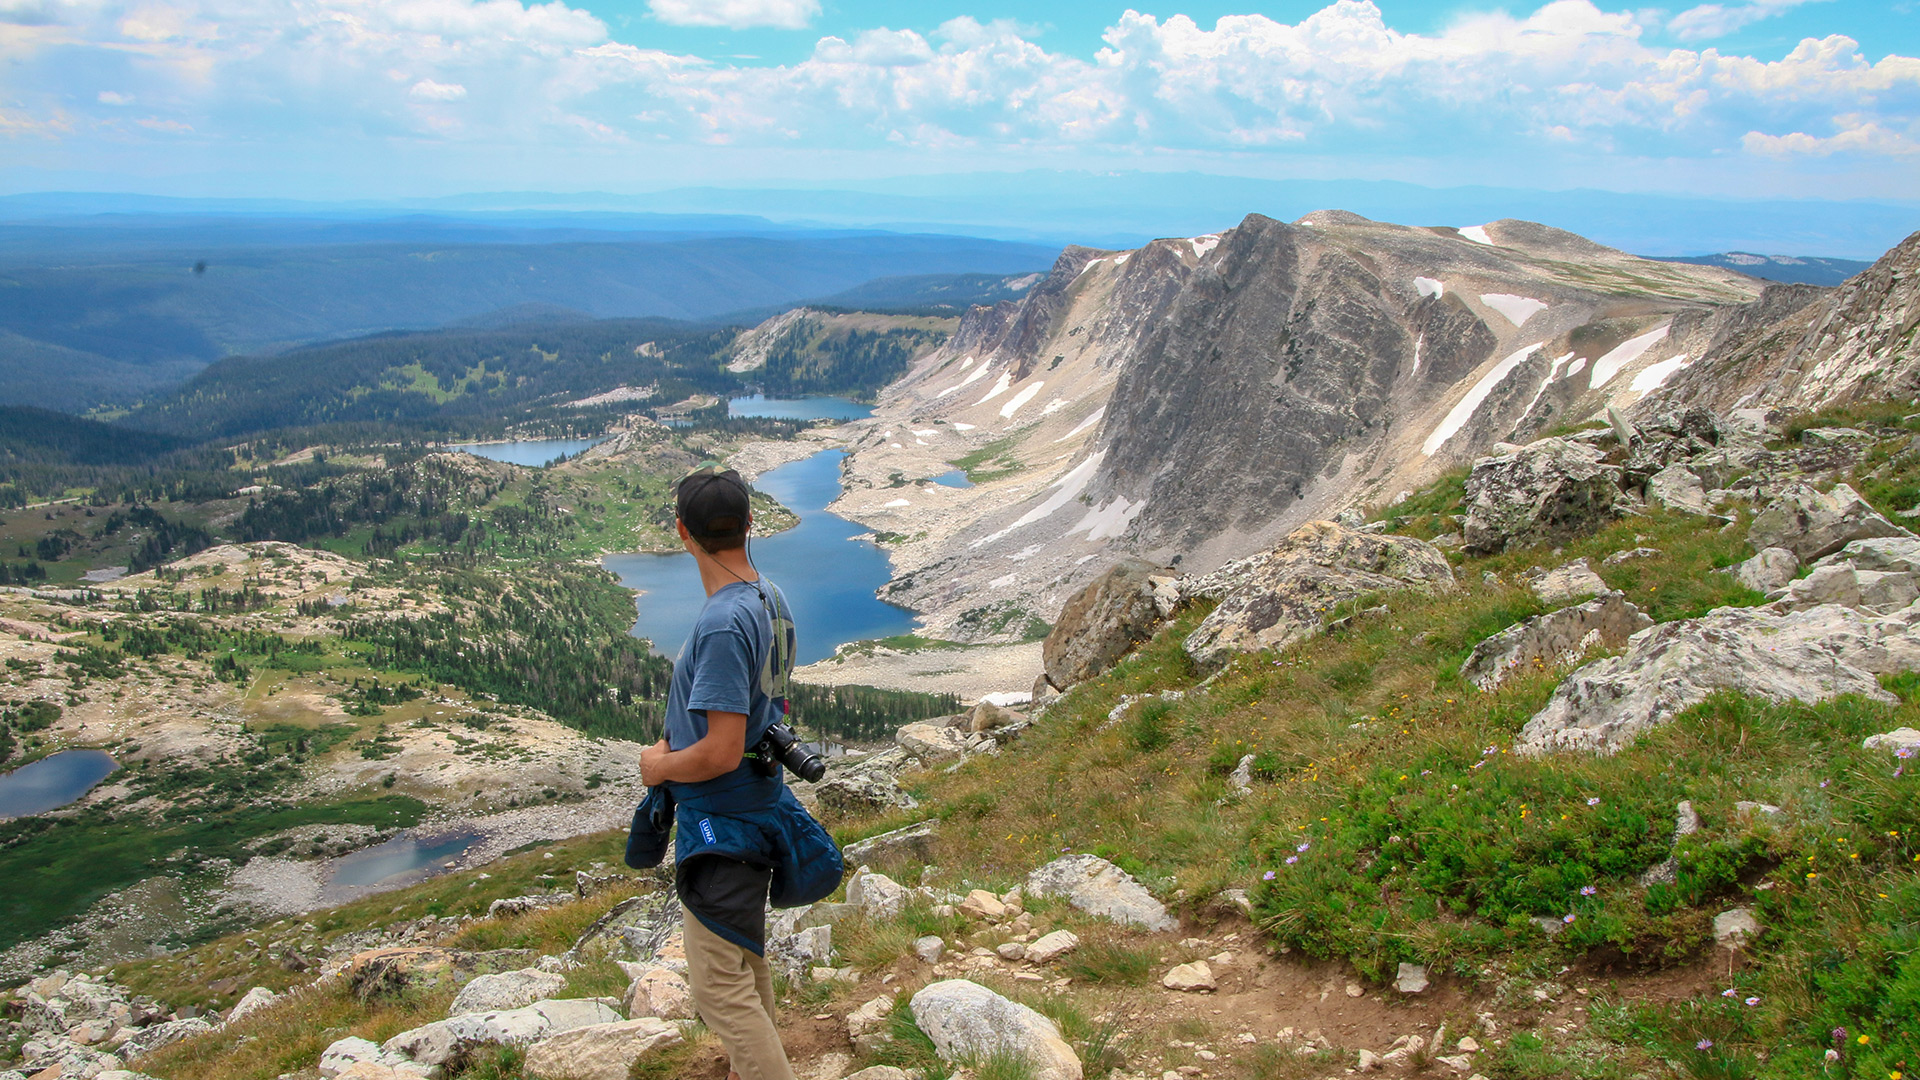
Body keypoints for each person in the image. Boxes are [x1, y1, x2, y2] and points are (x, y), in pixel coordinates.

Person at [640, 464, 798, 1080]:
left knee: (716, 989)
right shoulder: (769, 596)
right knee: (743, 957)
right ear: (750, 525)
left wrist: (658, 764)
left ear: (684, 532)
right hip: (757, 803)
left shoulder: (723, 621)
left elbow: (721, 750)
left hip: (723, 820)